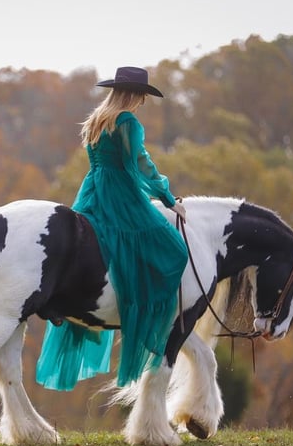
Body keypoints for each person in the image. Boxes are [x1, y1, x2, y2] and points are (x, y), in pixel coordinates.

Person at [36, 66, 188, 391]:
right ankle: (145, 322)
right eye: (142, 97)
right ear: (134, 96)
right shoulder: (128, 122)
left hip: (92, 192)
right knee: (172, 250)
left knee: (107, 243)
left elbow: (102, 163)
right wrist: (166, 195)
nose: (142, 104)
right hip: (119, 194)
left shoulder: (96, 119)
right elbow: (140, 164)